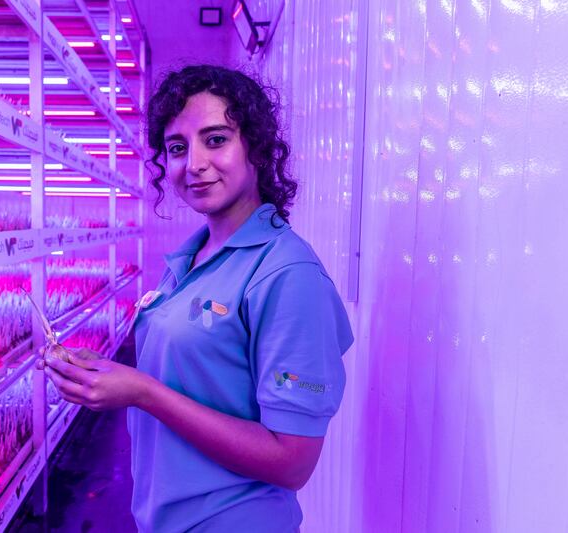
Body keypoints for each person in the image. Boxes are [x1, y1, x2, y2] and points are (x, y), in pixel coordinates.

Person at [40, 65, 354, 533]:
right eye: (177, 148)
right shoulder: (191, 258)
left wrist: (142, 392)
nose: (195, 164)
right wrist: (104, 377)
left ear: (257, 147)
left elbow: (292, 462)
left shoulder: (287, 275)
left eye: (216, 139)